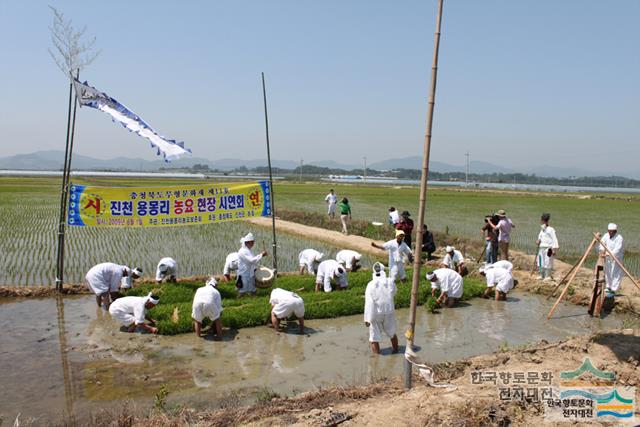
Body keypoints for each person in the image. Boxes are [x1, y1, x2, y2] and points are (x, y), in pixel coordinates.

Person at [364, 262, 398, 354]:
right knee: (392, 333)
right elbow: (394, 292)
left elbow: (369, 303)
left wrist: (367, 319)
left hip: (376, 313)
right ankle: (396, 350)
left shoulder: (370, 284)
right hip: (389, 310)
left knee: (374, 337)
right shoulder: (390, 281)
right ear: (383, 271)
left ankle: (376, 358)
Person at [598, 223, 624, 294]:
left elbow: (617, 249)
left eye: (612, 231)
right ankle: (608, 286)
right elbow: (602, 244)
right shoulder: (606, 235)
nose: (611, 232)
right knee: (608, 271)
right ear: (608, 230)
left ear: (615, 231)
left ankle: (614, 289)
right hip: (608, 257)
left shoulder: (619, 238)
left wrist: (607, 254)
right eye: (609, 231)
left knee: (615, 273)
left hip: (616, 258)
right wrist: (602, 251)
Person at [536, 213, 559, 281]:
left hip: (548, 248)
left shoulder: (551, 229)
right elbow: (540, 238)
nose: (541, 222)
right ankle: (541, 275)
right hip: (541, 248)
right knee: (540, 261)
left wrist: (554, 249)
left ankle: (547, 276)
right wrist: (538, 241)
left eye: (542, 221)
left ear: (545, 221)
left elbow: (554, 239)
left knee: (548, 261)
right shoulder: (542, 230)